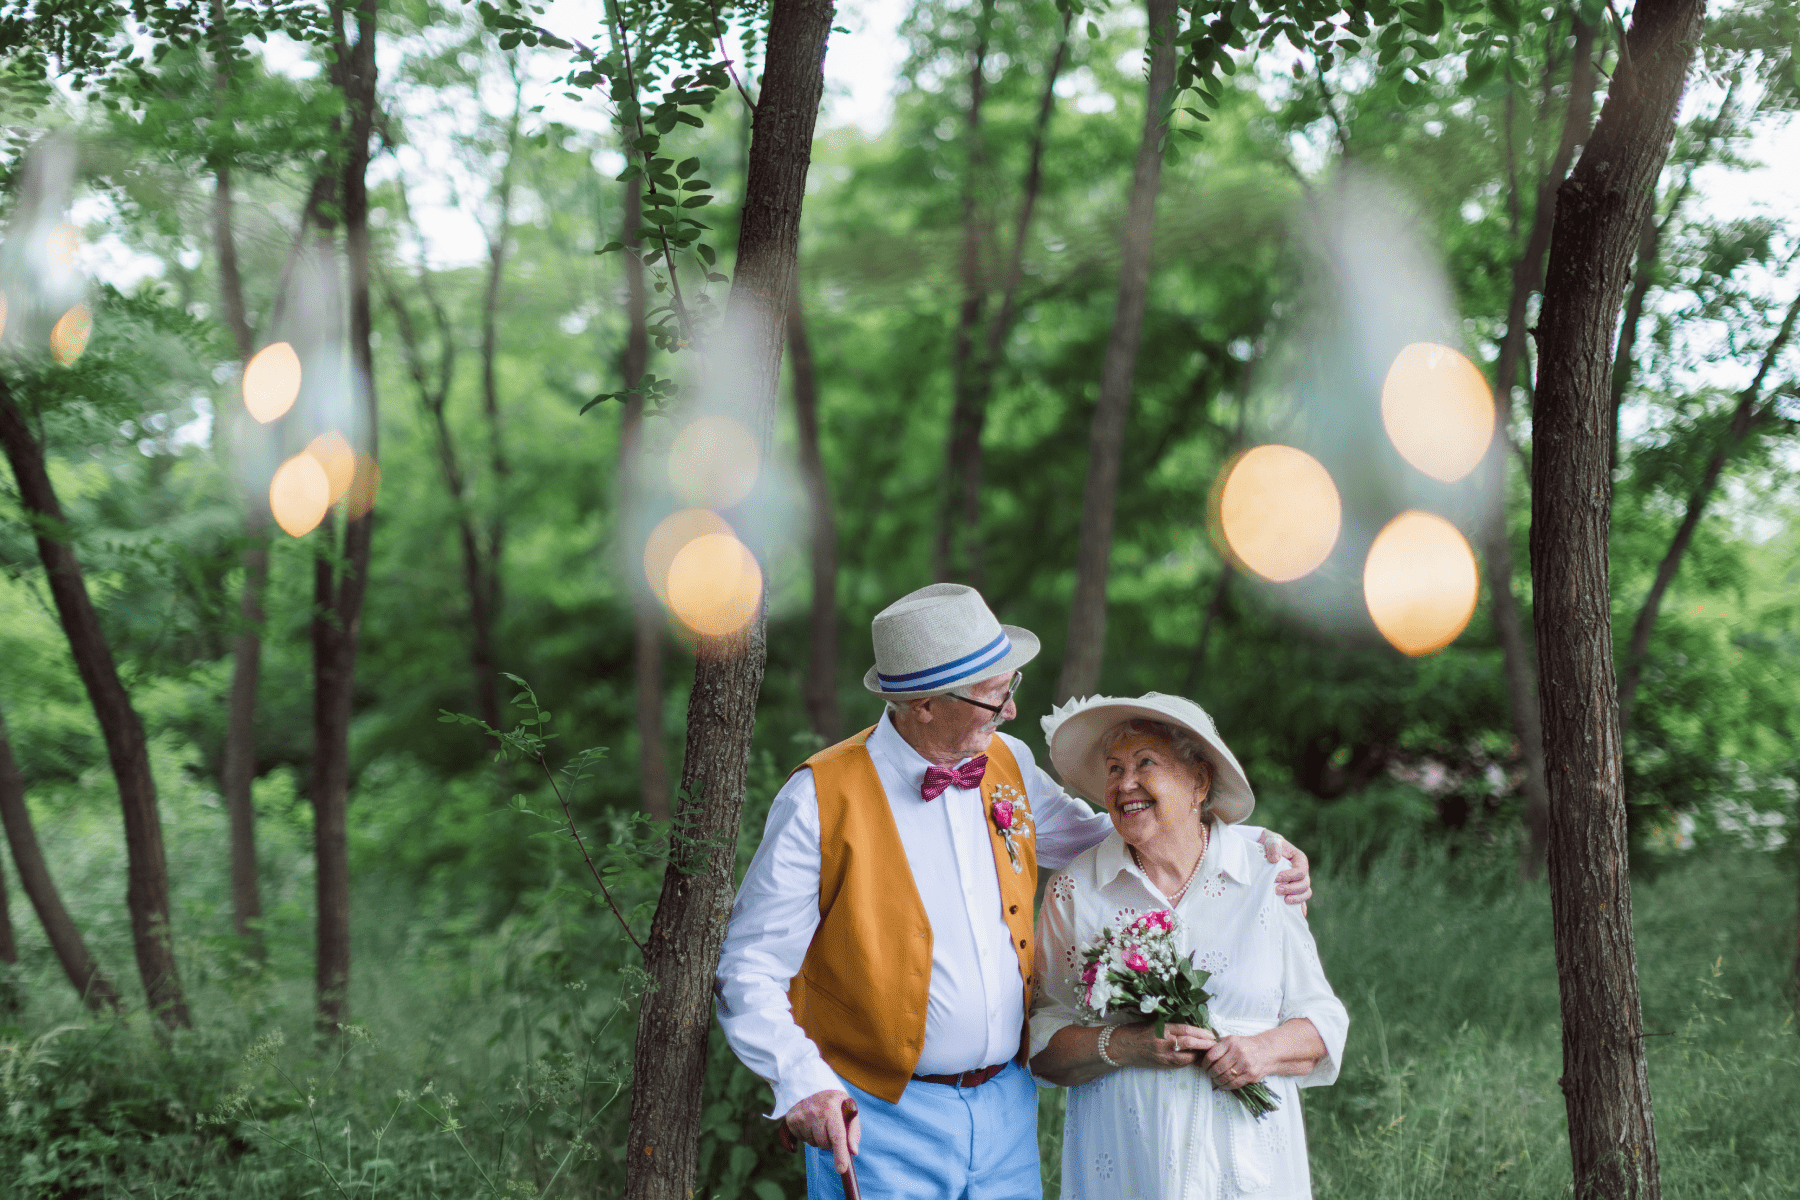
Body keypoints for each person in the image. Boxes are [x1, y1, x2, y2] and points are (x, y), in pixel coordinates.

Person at [714, 585, 1315, 1199]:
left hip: (1005, 1109)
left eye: (1010, 685)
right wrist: (802, 1080)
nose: (1009, 711)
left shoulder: (1009, 762)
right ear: (922, 705)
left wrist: (1251, 843)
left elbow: (1102, 833)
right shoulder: (818, 799)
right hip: (881, 1116)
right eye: (994, 694)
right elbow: (749, 967)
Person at [1029, 693, 1349, 1199]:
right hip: (1129, 1162)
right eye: (1114, 769)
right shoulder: (1076, 891)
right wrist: (1128, 1045)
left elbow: (1324, 1022)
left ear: (1198, 782)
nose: (1124, 783)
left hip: (1247, 1166)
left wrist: (1261, 1051)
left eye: (1144, 763)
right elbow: (1041, 1044)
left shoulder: (1266, 875)